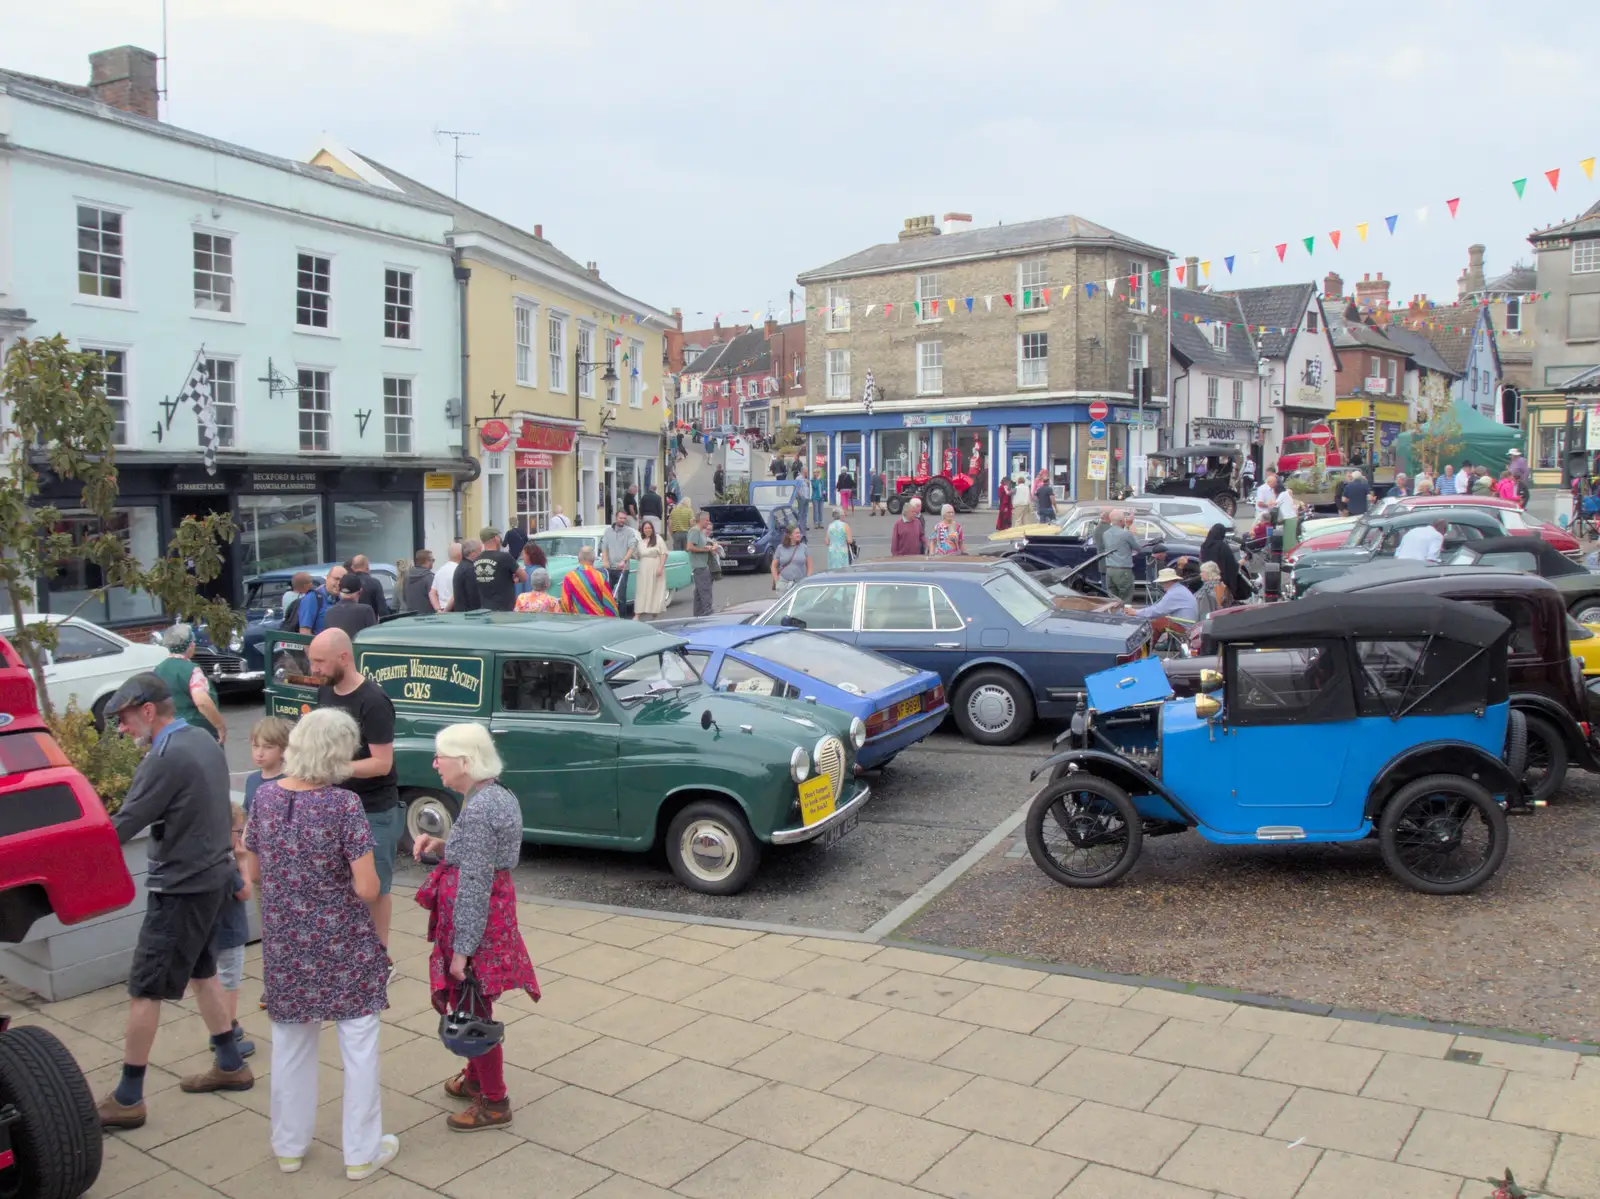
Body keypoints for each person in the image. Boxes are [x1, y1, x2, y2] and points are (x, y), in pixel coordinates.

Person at [243, 708, 398, 1180]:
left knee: (290, 1044)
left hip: (287, 942)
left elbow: (252, 871)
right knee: (358, 1042)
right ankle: (360, 1153)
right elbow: (370, 889)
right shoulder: (343, 805)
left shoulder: (265, 798)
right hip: (341, 941)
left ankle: (289, 1147)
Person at [97, 673, 250, 1130]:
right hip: (212, 877)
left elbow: (123, 825)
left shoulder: (164, 757)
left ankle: (127, 1098)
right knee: (203, 971)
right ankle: (229, 1063)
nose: (122, 729)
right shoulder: (202, 739)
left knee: (145, 988)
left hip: (180, 887)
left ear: (148, 711)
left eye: (123, 719)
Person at [413, 725, 540, 1133]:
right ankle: (473, 1078)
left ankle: (495, 1101)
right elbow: (482, 857)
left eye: (441, 756)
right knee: (472, 1000)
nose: (435, 764)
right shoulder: (492, 794)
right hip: (488, 916)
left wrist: (462, 951)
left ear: (465, 762)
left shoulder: (483, 806)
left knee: (473, 1008)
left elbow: (475, 883)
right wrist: (443, 847)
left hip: (477, 923)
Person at [308, 628, 400, 954]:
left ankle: (379, 956)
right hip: (334, 807)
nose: (314, 669)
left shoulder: (373, 701)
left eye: (319, 661)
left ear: (344, 657)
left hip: (373, 809)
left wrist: (333, 770)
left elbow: (382, 763)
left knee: (375, 888)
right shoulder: (325, 694)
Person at [212, 803, 256, 1059]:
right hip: (229, 932)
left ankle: (227, 1028)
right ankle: (224, 1038)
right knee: (229, 984)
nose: (240, 836)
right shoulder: (227, 863)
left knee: (215, 982)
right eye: (238, 830)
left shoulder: (204, 856)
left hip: (210, 931)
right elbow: (245, 892)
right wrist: (242, 862)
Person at [154, 624, 226, 744]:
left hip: (169, 733)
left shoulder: (158, 670)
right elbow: (202, 702)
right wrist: (220, 726)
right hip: (197, 733)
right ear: (190, 644)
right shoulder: (192, 670)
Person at [1128, 567, 1199, 641]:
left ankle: (1148, 648)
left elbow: (1157, 611)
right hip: (1188, 623)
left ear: (1168, 581)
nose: (1161, 584)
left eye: (1162, 582)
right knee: (1161, 619)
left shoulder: (1174, 593)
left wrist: (1135, 612)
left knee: (1156, 623)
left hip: (1185, 626)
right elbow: (1159, 609)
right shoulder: (1179, 589)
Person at [243, 716, 291, 815]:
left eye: (268, 747)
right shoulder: (252, 779)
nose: (259, 753)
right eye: (255, 746)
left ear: (284, 750)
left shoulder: (290, 783)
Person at [560, 545, 619, 616]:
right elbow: (609, 603)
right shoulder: (600, 577)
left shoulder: (569, 577)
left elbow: (565, 603)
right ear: (593, 560)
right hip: (597, 621)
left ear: (578, 559)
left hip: (578, 620)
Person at [473, 529, 522, 612]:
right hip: (504, 609)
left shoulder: (476, 560)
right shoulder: (505, 557)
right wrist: (515, 579)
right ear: (496, 538)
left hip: (484, 609)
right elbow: (524, 576)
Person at [1199, 522, 1250, 602]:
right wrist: (1241, 562)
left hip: (1207, 579)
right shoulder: (1222, 547)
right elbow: (1232, 566)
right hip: (1222, 582)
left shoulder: (1204, 546)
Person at [1101, 510, 1142, 606]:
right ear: (1121, 521)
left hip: (1110, 569)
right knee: (1125, 598)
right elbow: (1138, 547)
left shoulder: (1106, 534)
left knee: (1113, 599)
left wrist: (1127, 527)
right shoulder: (1126, 534)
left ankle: (1114, 617)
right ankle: (1124, 617)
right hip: (1123, 569)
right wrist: (1133, 533)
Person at [601, 512, 639, 614]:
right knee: (607, 593)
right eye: (620, 518)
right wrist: (605, 560)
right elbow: (604, 546)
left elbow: (632, 547)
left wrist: (624, 560)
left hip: (623, 568)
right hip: (610, 568)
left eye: (624, 518)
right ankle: (608, 614)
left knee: (621, 595)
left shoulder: (629, 532)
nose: (622, 520)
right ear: (616, 518)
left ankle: (622, 617)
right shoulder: (608, 531)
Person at [633, 520, 669, 618]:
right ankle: (637, 614)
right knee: (641, 590)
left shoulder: (658, 539)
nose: (648, 530)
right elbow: (636, 555)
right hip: (643, 569)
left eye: (649, 528)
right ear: (642, 530)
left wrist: (660, 567)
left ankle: (654, 609)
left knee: (655, 589)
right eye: (645, 528)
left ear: (652, 529)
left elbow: (664, 553)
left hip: (655, 566)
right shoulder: (640, 542)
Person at [687, 511, 720, 616]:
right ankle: (708, 616)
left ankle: (697, 616)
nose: (708, 522)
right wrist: (705, 550)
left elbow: (701, 545)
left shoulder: (700, 532)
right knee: (706, 594)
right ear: (702, 520)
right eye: (707, 520)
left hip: (703, 565)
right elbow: (690, 547)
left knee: (698, 594)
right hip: (700, 566)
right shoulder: (694, 531)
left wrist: (708, 547)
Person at [772, 524, 812, 592]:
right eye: (796, 533)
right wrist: (777, 581)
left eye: (799, 533)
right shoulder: (780, 548)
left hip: (800, 584)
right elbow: (773, 566)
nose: (799, 535)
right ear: (790, 536)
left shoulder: (804, 547)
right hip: (784, 584)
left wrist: (807, 580)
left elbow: (810, 567)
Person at [452, 540, 483, 611]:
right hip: (470, 614)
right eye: (480, 551)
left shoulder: (461, 566)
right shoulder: (470, 569)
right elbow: (473, 594)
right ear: (473, 553)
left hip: (462, 611)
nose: (481, 554)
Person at [432, 543, 462, 613]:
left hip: (442, 609)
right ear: (461, 555)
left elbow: (432, 593)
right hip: (455, 610)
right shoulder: (459, 570)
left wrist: (438, 609)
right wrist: (446, 610)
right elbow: (456, 593)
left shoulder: (440, 571)